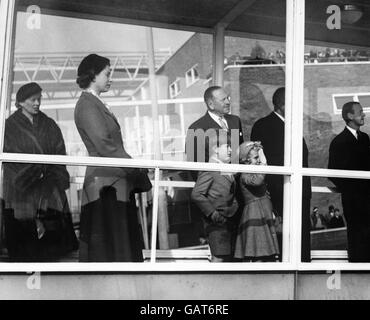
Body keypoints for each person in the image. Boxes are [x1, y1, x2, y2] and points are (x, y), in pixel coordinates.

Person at [74, 54, 150, 262]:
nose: (110, 79)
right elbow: (104, 144)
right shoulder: (88, 105)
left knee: (118, 243)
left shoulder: (95, 103)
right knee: (113, 245)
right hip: (105, 184)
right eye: (107, 74)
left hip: (112, 181)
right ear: (93, 75)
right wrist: (136, 168)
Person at [3, 82, 78, 261]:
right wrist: (35, 173)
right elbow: (9, 158)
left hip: (48, 192)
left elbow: (60, 154)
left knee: (51, 249)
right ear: (21, 102)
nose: (37, 103)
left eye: (39, 99)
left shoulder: (49, 124)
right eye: (32, 100)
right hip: (20, 194)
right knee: (25, 247)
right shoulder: (9, 127)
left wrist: (51, 176)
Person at [250, 87, 312, 262]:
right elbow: (259, 162)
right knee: (282, 240)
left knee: (301, 241)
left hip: (300, 193)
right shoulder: (263, 126)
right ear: (283, 105)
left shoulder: (293, 126)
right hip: (279, 194)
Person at [328, 101, 370, 262]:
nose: (364, 114)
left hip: (367, 200)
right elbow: (333, 172)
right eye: (360, 111)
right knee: (358, 238)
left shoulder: (365, 138)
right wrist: (352, 189)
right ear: (349, 116)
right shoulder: (339, 142)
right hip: (354, 201)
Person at [191, 134, 239, 262]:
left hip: (229, 222)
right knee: (219, 259)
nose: (230, 150)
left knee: (227, 259)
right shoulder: (210, 168)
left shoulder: (224, 167)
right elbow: (197, 194)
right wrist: (213, 214)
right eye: (227, 146)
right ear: (216, 149)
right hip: (217, 224)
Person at [234, 142, 279, 262]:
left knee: (265, 251)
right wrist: (264, 163)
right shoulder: (245, 174)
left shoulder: (253, 171)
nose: (258, 160)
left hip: (263, 210)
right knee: (258, 251)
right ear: (245, 160)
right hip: (255, 213)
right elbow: (257, 181)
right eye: (256, 158)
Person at [185, 86, 244, 164]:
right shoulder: (196, 128)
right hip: (213, 175)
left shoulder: (235, 120)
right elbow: (194, 164)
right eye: (223, 100)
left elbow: (240, 151)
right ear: (210, 104)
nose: (228, 102)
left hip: (237, 174)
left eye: (228, 98)